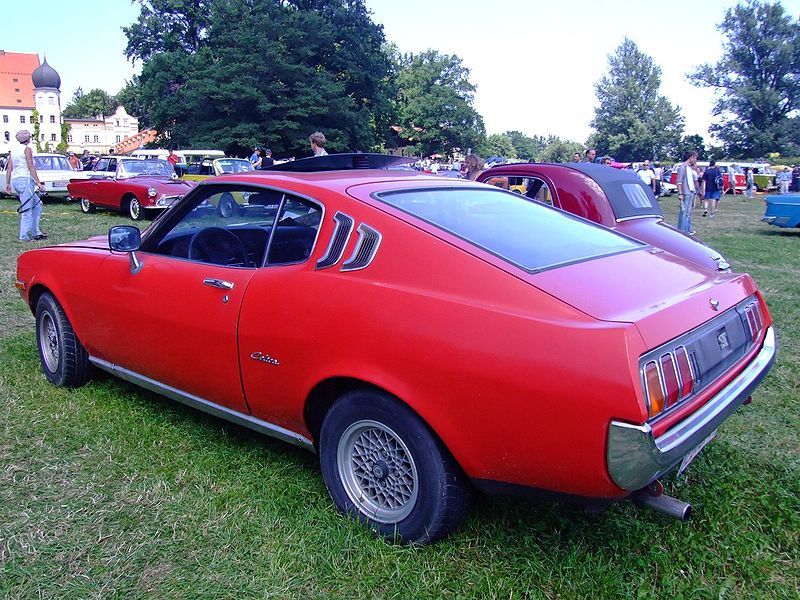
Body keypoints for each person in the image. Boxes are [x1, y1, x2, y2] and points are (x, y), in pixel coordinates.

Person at [4, 130, 47, 242]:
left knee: (37, 204)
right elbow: (31, 167)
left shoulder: (13, 151)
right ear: (28, 139)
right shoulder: (27, 149)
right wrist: (38, 183)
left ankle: (35, 231)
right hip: (26, 180)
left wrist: (8, 183)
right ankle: (24, 236)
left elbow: (9, 168)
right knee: (27, 209)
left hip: (16, 180)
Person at [676, 150, 698, 234]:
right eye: (695, 158)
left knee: (688, 212)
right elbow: (679, 181)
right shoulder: (682, 167)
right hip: (685, 192)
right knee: (684, 212)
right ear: (691, 157)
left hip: (691, 192)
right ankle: (682, 230)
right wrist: (680, 193)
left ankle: (688, 229)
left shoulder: (689, 168)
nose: (695, 160)